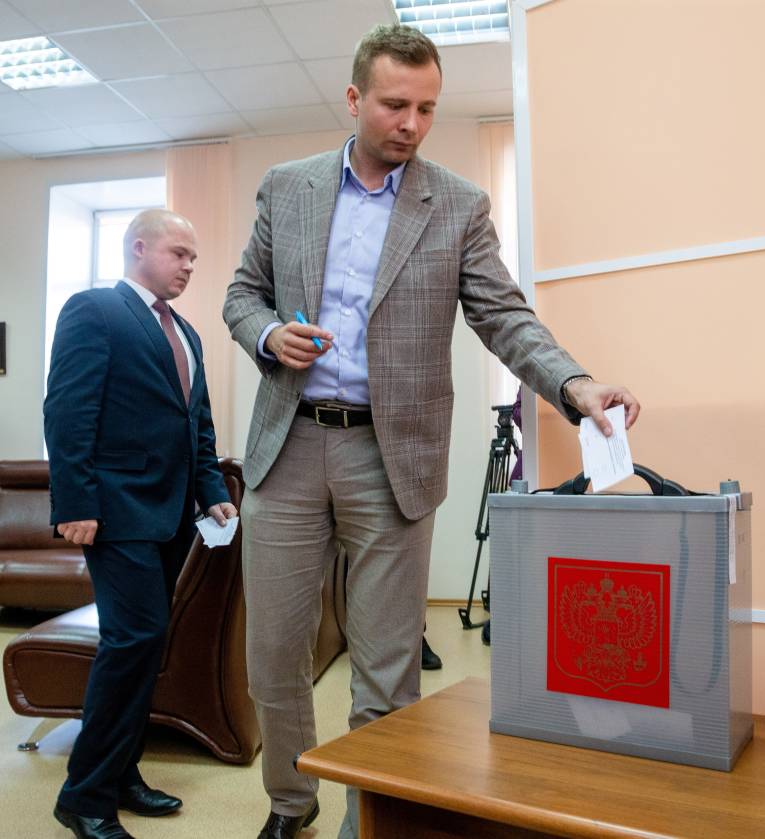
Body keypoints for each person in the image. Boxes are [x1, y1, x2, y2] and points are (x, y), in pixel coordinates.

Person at [223, 23, 640, 839]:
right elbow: (242, 293)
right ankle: (290, 803)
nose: (411, 123)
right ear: (354, 98)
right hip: (288, 444)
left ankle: (368, 820)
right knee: (272, 656)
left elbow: (504, 316)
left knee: (387, 671)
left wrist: (576, 384)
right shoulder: (288, 187)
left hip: (392, 456)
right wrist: (268, 334)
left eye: (426, 108)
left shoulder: (456, 203)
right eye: (394, 104)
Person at [45, 209, 237, 839]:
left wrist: (211, 492)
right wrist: (75, 502)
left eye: (194, 257)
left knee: (147, 645)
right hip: (115, 511)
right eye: (179, 253)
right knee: (133, 640)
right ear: (138, 248)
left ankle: (122, 775)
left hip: (171, 514)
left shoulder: (186, 333)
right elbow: (68, 410)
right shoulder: (95, 309)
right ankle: (84, 795)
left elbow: (196, 423)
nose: (189, 266)